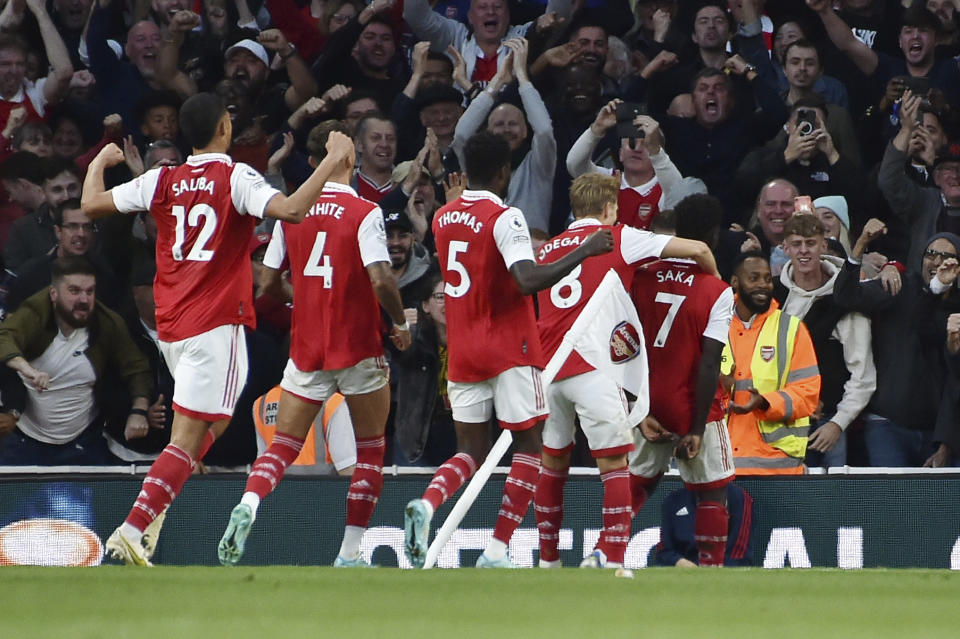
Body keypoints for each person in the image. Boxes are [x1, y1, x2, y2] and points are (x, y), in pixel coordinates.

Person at [79, 91, 354, 566]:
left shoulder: (161, 178)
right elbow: (290, 210)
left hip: (173, 328)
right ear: (224, 129)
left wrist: (101, 161)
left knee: (219, 420)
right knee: (187, 439)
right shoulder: (236, 175)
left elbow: (89, 204)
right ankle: (134, 527)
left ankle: (155, 505)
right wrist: (329, 161)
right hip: (215, 323)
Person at [403, 130, 614, 569]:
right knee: (530, 448)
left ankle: (427, 502)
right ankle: (497, 550)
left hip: (463, 349)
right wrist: (585, 249)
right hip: (508, 347)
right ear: (505, 172)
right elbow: (526, 279)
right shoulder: (506, 217)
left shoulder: (444, 216)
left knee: (468, 453)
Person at [218, 121, 409, 568]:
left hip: (306, 346)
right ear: (351, 157)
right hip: (358, 346)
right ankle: (348, 552)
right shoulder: (365, 212)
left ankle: (249, 502)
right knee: (371, 449)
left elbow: (266, 281)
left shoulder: (293, 211)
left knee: (283, 444)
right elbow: (381, 278)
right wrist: (399, 321)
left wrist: (305, 300)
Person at [534, 178, 720, 571]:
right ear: (607, 209)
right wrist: (712, 284)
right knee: (615, 465)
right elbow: (698, 248)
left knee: (552, 464)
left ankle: (548, 561)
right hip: (591, 366)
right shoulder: (618, 236)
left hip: (548, 368)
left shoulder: (548, 248)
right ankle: (611, 558)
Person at [627, 194, 735, 566]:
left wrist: (636, 408)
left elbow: (625, 345)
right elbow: (709, 363)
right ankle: (711, 569)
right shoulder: (716, 290)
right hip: (692, 404)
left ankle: (605, 552)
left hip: (648, 401)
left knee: (637, 483)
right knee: (712, 492)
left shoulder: (640, 278)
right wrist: (697, 426)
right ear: (713, 237)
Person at [0, 256, 153, 465]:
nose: (84, 299)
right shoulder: (35, 313)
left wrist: (139, 410)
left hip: (84, 441)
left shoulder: (107, 323)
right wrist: (28, 370)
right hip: (26, 441)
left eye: (89, 291)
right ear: (53, 293)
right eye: (74, 291)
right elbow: (5, 338)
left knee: (91, 497)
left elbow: (136, 368)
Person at [774, 214, 876, 468]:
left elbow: (862, 375)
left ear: (824, 245)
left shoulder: (848, 298)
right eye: (796, 244)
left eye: (810, 242)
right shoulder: (772, 296)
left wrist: (837, 423)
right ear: (785, 248)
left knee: (830, 500)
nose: (804, 250)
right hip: (778, 417)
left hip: (827, 423)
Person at [725, 252, 821, 475]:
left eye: (767, 278)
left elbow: (808, 394)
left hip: (776, 468)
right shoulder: (712, 324)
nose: (763, 285)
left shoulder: (791, 328)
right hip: (718, 465)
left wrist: (765, 403)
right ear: (735, 282)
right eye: (754, 278)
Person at [451, 38, 556, 235]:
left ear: (526, 131)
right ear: (488, 132)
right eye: (499, 125)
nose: (506, 129)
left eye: (513, 124)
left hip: (531, 257)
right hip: (486, 255)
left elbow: (544, 131)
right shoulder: (478, 166)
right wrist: (497, 81)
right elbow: (461, 136)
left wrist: (523, 78)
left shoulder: (539, 165)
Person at [654, 483, 754, 567]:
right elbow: (664, 552)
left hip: (723, 574)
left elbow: (740, 555)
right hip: (684, 575)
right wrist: (680, 563)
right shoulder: (673, 500)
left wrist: (715, 575)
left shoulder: (739, 498)